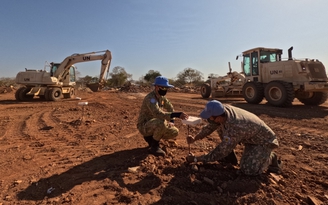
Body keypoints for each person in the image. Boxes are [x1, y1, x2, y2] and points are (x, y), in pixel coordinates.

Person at [186, 100, 282, 176]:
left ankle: (270, 157)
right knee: (220, 127)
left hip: (262, 141)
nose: (208, 120)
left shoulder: (235, 126)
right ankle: (230, 158)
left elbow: (221, 151)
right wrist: (195, 138)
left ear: (218, 117)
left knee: (248, 170)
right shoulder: (222, 111)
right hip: (248, 136)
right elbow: (210, 127)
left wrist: (197, 159)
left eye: (210, 117)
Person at [137, 76, 188, 156]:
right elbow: (158, 113)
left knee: (174, 131)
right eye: (163, 88)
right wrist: (177, 114)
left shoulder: (162, 98)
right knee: (162, 122)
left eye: (166, 88)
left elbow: (170, 107)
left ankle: (152, 139)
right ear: (156, 87)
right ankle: (154, 146)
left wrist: (172, 121)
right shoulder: (150, 98)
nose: (165, 90)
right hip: (145, 125)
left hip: (154, 124)